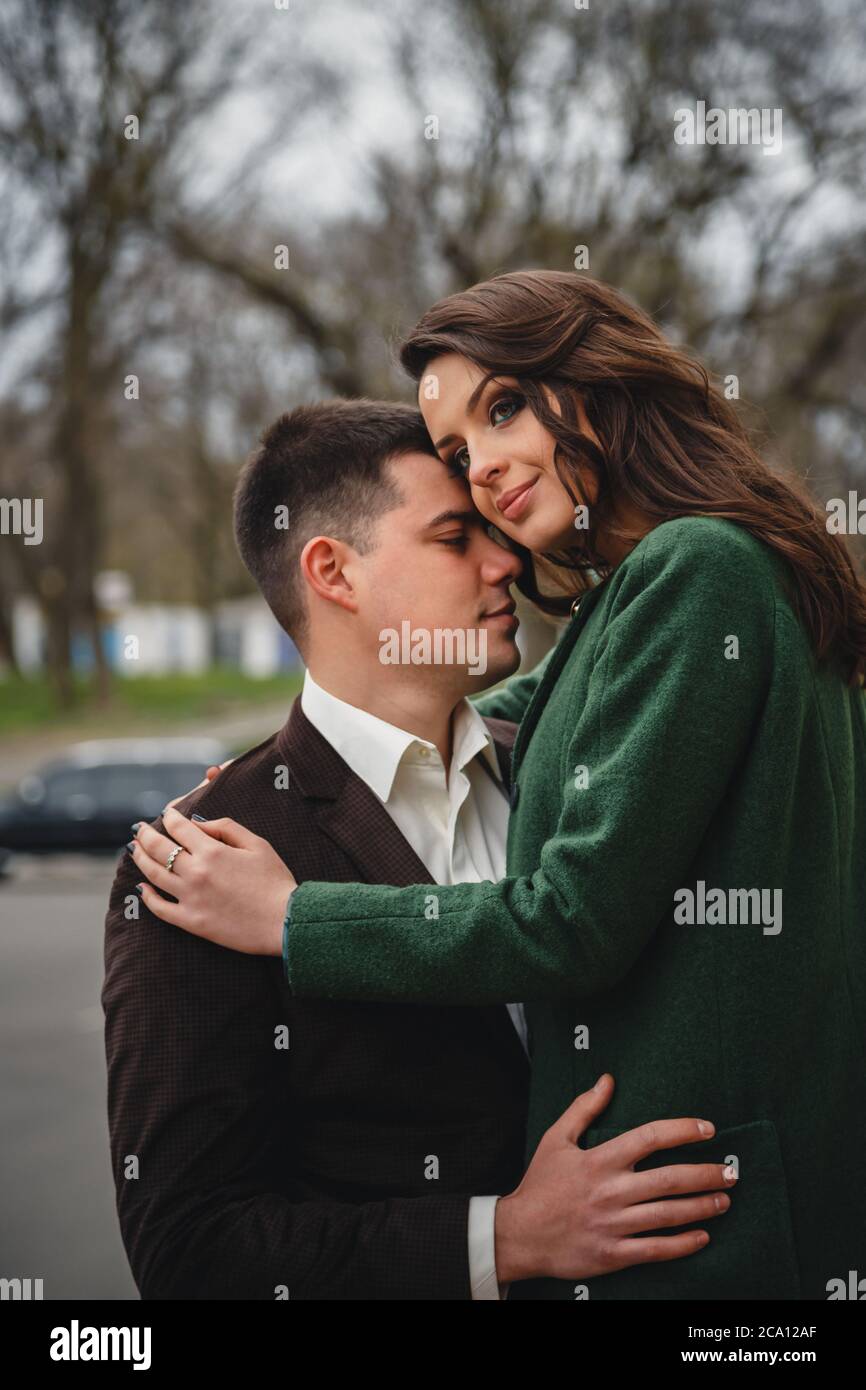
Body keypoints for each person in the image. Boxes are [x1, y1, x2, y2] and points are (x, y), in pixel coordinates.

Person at [131, 270, 866, 1300]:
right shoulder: (681, 586)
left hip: (716, 1241)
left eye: (504, 406)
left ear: (596, 375)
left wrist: (299, 921)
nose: (483, 477)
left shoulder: (696, 570)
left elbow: (570, 918)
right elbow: (558, 706)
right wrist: (284, 768)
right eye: (457, 458)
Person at [106, 397, 733, 1301]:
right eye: (454, 537)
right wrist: (501, 1240)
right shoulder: (201, 860)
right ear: (334, 571)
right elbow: (192, 1251)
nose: (507, 562)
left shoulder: (564, 775)